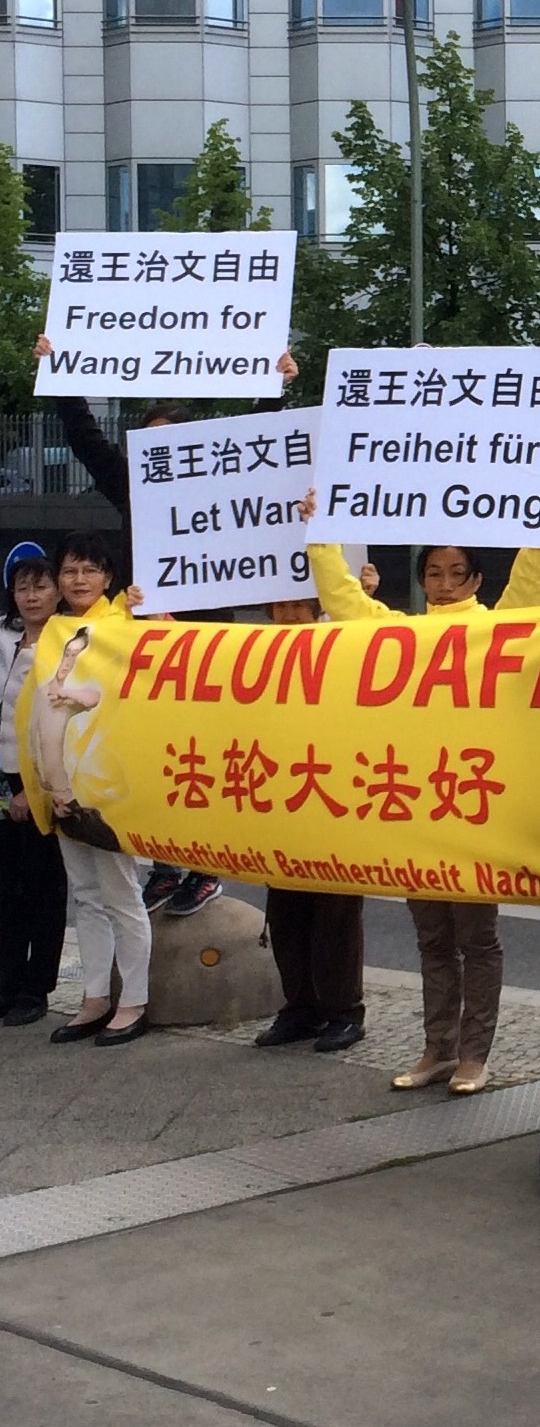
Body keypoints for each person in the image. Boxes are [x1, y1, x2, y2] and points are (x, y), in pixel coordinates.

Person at [303, 494, 540, 1095]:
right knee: (432, 938)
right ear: (421, 579)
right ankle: (437, 1049)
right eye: (434, 573)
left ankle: (474, 1055)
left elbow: (527, 592)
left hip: (473, 808)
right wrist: (320, 534)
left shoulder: (492, 628)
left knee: (478, 939)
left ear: (476, 580)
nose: (444, 585)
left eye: (456, 574)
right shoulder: (403, 633)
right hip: (417, 806)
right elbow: (344, 601)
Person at [33, 336, 298, 919]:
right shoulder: (131, 484)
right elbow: (84, 438)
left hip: (202, 642)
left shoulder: (220, 484)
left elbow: (257, 438)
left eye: (172, 439)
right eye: (150, 439)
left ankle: (204, 869)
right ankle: (166, 865)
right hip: (144, 641)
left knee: (202, 750)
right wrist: (59, 372)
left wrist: (275, 387)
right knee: (153, 751)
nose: (160, 449)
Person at [23, 534, 152, 1045]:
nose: (79, 580)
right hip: (58, 785)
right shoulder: (56, 629)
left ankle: (134, 1000)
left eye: (90, 570)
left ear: (108, 577)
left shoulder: (121, 624)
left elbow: (111, 692)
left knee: (122, 895)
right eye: (70, 571)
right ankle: (95, 997)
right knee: (87, 896)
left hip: (103, 783)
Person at [250, 593, 370, 1055]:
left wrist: (363, 595)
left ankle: (345, 1012)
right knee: (285, 911)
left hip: (334, 796)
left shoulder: (343, 647)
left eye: (299, 606)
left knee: (335, 913)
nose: (289, 616)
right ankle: (300, 1008)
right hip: (281, 797)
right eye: (280, 607)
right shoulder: (255, 655)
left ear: (317, 608)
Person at [0, 545, 68, 1027]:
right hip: (2, 775)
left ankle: (35, 986)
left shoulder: (68, 643)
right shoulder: (4, 637)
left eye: (40, 586)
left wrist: (33, 788)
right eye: (22, 587)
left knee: (43, 887)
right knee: (6, 887)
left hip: (42, 778)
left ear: (56, 593)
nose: (30, 596)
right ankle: (5, 981)